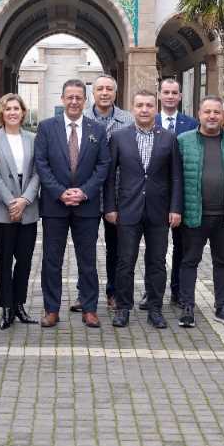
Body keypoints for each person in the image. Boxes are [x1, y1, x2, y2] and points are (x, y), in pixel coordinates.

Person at [104, 89, 184, 329]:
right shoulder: (119, 137)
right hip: (127, 209)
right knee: (125, 261)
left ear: (155, 107)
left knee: (157, 261)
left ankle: (155, 309)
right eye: (139, 105)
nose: (145, 110)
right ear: (133, 108)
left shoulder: (169, 138)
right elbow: (109, 178)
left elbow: (176, 178)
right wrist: (110, 207)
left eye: (149, 105)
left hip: (159, 211)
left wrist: (175, 208)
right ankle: (123, 308)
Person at [35, 79, 111, 328]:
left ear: (85, 100)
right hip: (55, 206)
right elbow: (41, 164)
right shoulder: (47, 127)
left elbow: (103, 166)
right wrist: (60, 192)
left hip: (87, 206)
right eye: (70, 97)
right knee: (52, 260)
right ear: (63, 99)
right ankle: (51, 309)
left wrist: (85, 191)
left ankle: (90, 309)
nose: (74, 101)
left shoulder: (97, 129)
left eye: (79, 97)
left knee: (88, 260)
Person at [177, 96, 224, 327]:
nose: (212, 116)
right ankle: (187, 307)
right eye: (207, 112)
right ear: (199, 114)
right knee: (189, 261)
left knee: (223, 261)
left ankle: (222, 307)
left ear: (223, 116)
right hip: (194, 214)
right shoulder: (183, 141)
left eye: (217, 112)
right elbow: (175, 179)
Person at [0, 93, 41, 329]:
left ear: (23, 112)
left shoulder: (33, 138)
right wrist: (11, 202)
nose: (12, 112)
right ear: (1, 112)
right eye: (8, 108)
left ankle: (19, 305)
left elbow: (39, 172)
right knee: (4, 259)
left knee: (25, 260)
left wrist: (25, 200)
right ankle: (6, 308)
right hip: (3, 208)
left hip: (28, 208)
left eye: (16, 108)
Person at [83, 73, 133, 311]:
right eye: (100, 88)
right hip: (88, 194)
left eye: (109, 89)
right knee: (86, 249)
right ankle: (84, 294)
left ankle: (114, 291)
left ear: (115, 92)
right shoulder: (80, 118)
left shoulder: (128, 120)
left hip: (118, 195)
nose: (104, 93)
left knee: (116, 249)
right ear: (93, 93)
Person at [155, 77, 197, 309]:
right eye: (166, 92)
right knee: (156, 249)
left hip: (183, 194)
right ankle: (153, 292)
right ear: (160, 95)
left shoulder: (191, 124)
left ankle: (178, 291)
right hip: (155, 195)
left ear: (180, 96)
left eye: (174, 93)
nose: (170, 96)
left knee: (182, 247)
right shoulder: (149, 120)